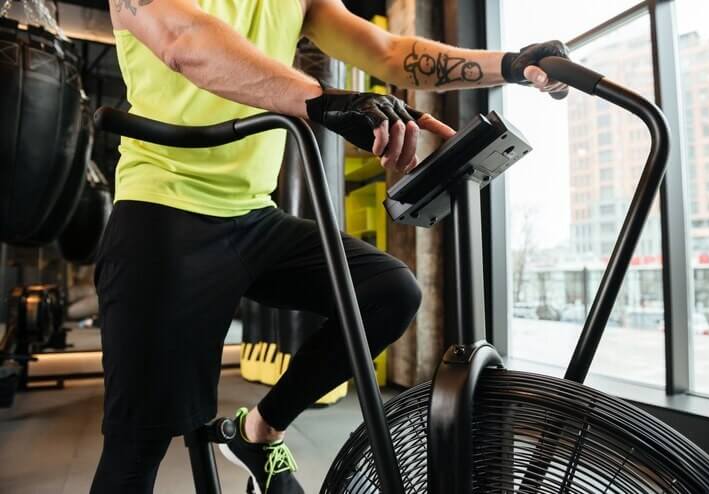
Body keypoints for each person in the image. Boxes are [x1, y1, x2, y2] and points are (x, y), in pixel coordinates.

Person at [91, 0, 569, 492]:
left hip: (253, 215)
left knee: (388, 290)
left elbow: (390, 52)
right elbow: (184, 40)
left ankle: (258, 432)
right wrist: (323, 99)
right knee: (136, 449)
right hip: (163, 207)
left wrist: (513, 64)